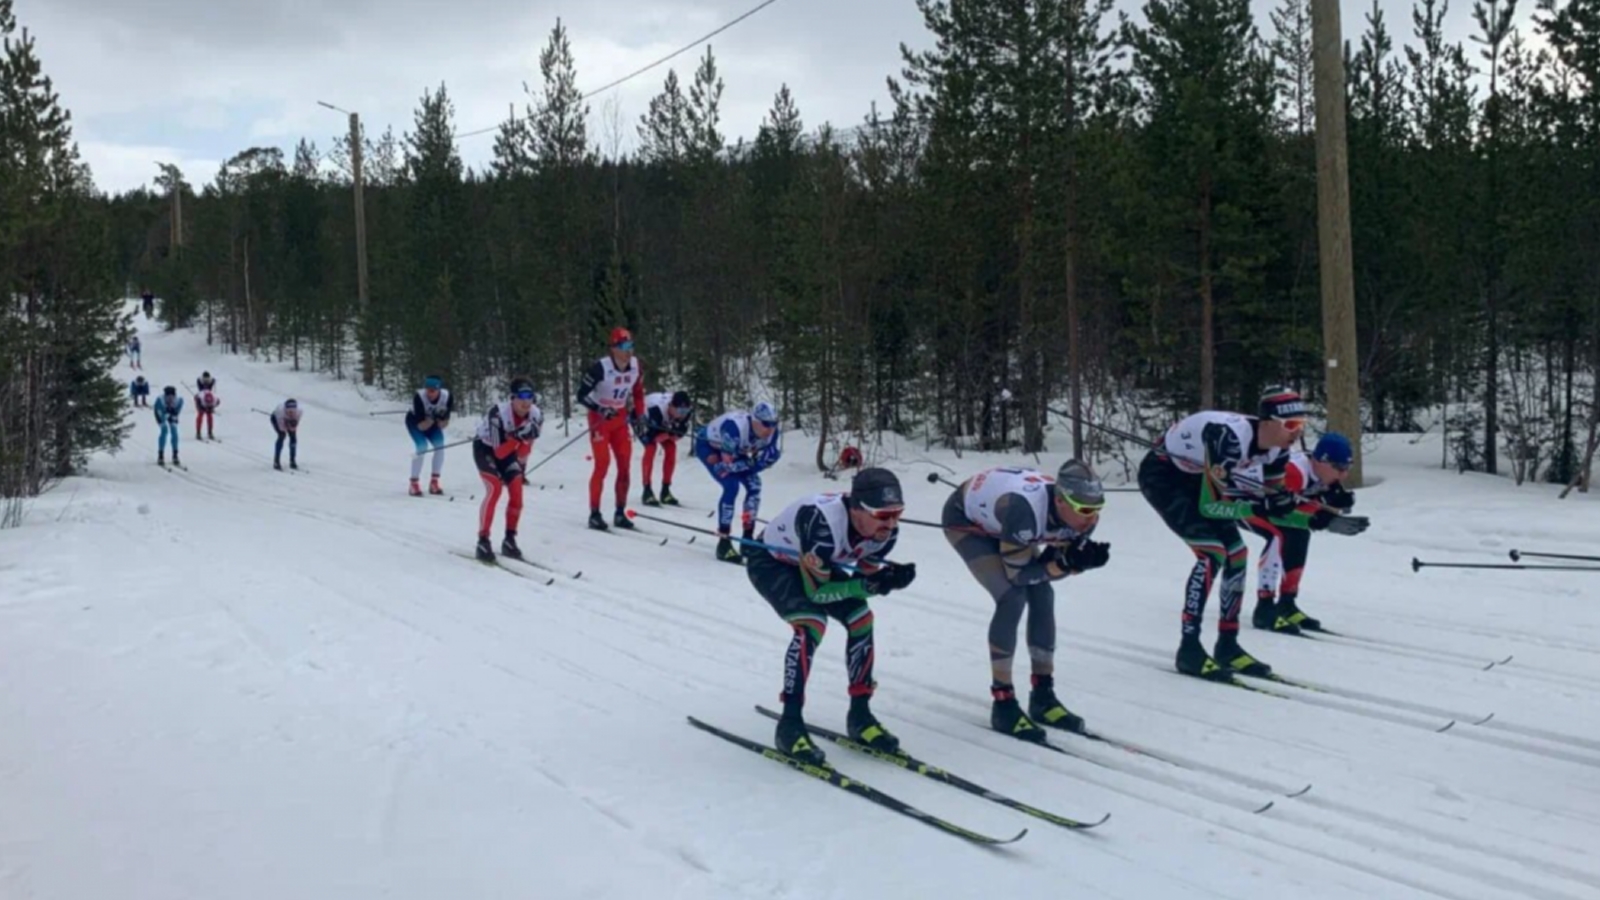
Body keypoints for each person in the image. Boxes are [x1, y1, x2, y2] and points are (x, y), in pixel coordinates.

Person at [745, 468, 917, 763]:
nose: (890, 523)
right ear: (856, 508)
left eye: (897, 513)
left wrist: (884, 580)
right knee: (811, 623)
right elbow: (818, 594)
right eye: (882, 515)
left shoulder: (886, 532)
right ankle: (790, 724)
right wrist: (869, 585)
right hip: (774, 563)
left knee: (861, 618)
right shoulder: (822, 523)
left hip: (819, 565)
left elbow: (862, 576)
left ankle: (860, 716)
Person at [1137, 386, 1306, 681]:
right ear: (1268, 421)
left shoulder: (1279, 448)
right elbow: (1212, 506)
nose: (1297, 432)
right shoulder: (1228, 438)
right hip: (1165, 477)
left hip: (1198, 478)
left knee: (1237, 555)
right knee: (1212, 553)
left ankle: (1227, 644)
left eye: (1301, 425)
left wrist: (1307, 515)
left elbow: (1272, 498)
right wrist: (1258, 506)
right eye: (1291, 425)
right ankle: (1189, 647)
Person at [943, 461, 1111, 742]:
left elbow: (1045, 571)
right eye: (1084, 510)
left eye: (1097, 510)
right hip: (966, 520)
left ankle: (1043, 695)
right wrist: (1067, 565)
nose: (1091, 519)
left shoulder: (1081, 516)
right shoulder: (1025, 510)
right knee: (1011, 597)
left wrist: (1073, 562)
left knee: (1043, 594)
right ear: (1060, 501)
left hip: (1007, 520)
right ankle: (1003, 702)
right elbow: (1019, 575)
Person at [1241, 432, 1363, 634]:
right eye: (1339, 468)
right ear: (1320, 461)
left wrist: (1332, 505)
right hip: (1239, 502)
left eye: (1347, 468)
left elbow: (1303, 505)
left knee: (1300, 534)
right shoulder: (1294, 471)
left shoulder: (1322, 474)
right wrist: (1323, 517)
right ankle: (1265, 606)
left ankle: (1287, 602)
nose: (1343, 475)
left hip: (1267, 505)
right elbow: (1283, 513)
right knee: (1277, 535)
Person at [695, 401, 782, 563]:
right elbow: (727, 466)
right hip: (709, 446)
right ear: (755, 421)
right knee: (731, 487)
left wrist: (754, 463)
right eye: (766, 424)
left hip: (738, 452)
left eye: (774, 424)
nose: (770, 429)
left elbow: (768, 458)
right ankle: (724, 541)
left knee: (755, 486)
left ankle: (747, 539)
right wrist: (751, 463)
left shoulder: (772, 433)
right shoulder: (734, 428)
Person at [577, 327, 646, 531]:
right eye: (623, 347)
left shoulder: (635, 366)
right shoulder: (600, 368)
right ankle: (595, 513)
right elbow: (581, 395)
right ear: (613, 349)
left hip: (620, 418)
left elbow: (638, 393)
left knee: (624, 465)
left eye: (630, 346)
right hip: (600, 419)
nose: (628, 351)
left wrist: (640, 415)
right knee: (602, 464)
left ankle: (619, 512)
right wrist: (599, 408)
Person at [472, 377, 542, 561]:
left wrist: (523, 440)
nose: (526, 402)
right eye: (522, 397)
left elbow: (522, 453)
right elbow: (499, 453)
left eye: (530, 397)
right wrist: (518, 437)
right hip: (486, 448)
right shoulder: (498, 414)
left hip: (510, 448)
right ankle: (483, 539)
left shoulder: (535, 415)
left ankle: (510, 539)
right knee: (494, 489)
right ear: (512, 398)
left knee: (517, 491)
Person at [636, 390, 693, 507]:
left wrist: (669, 434)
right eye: (680, 411)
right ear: (671, 406)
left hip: (662, 423)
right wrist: (667, 434)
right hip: (643, 418)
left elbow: (681, 432)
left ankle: (665, 490)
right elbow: (651, 436)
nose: (682, 414)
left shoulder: (685, 413)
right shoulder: (656, 409)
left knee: (671, 448)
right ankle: (647, 490)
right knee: (651, 448)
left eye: (685, 411)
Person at [406, 375, 456, 496]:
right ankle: (414, 483)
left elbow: (444, 424)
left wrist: (441, 419)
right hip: (415, 422)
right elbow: (421, 426)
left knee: (440, 447)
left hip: (431, 423)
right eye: (427, 390)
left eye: (433, 391)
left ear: (439, 390)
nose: (429, 393)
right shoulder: (419, 397)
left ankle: (434, 481)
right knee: (422, 446)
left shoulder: (447, 397)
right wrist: (433, 417)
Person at [153, 386, 183, 466]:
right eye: (168, 397)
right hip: (160, 413)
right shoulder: (160, 401)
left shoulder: (179, 400)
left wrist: (173, 415)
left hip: (171, 414)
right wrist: (165, 416)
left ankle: (175, 454)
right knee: (164, 430)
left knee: (174, 431)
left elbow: (177, 412)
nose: (170, 399)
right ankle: (160, 455)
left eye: (172, 397)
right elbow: (160, 414)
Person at [270, 399, 303, 471]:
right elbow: (282, 429)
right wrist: (286, 423)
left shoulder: (299, 412)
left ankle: (292, 461)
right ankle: (276, 461)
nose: (291, 413)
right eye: (289, 411)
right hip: (276, 419)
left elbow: (293, 429)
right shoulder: (280, 412)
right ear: (285, 409)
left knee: (293, 438)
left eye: (293, 411)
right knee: (282, 435)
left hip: (287, 420)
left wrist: (292, 424)